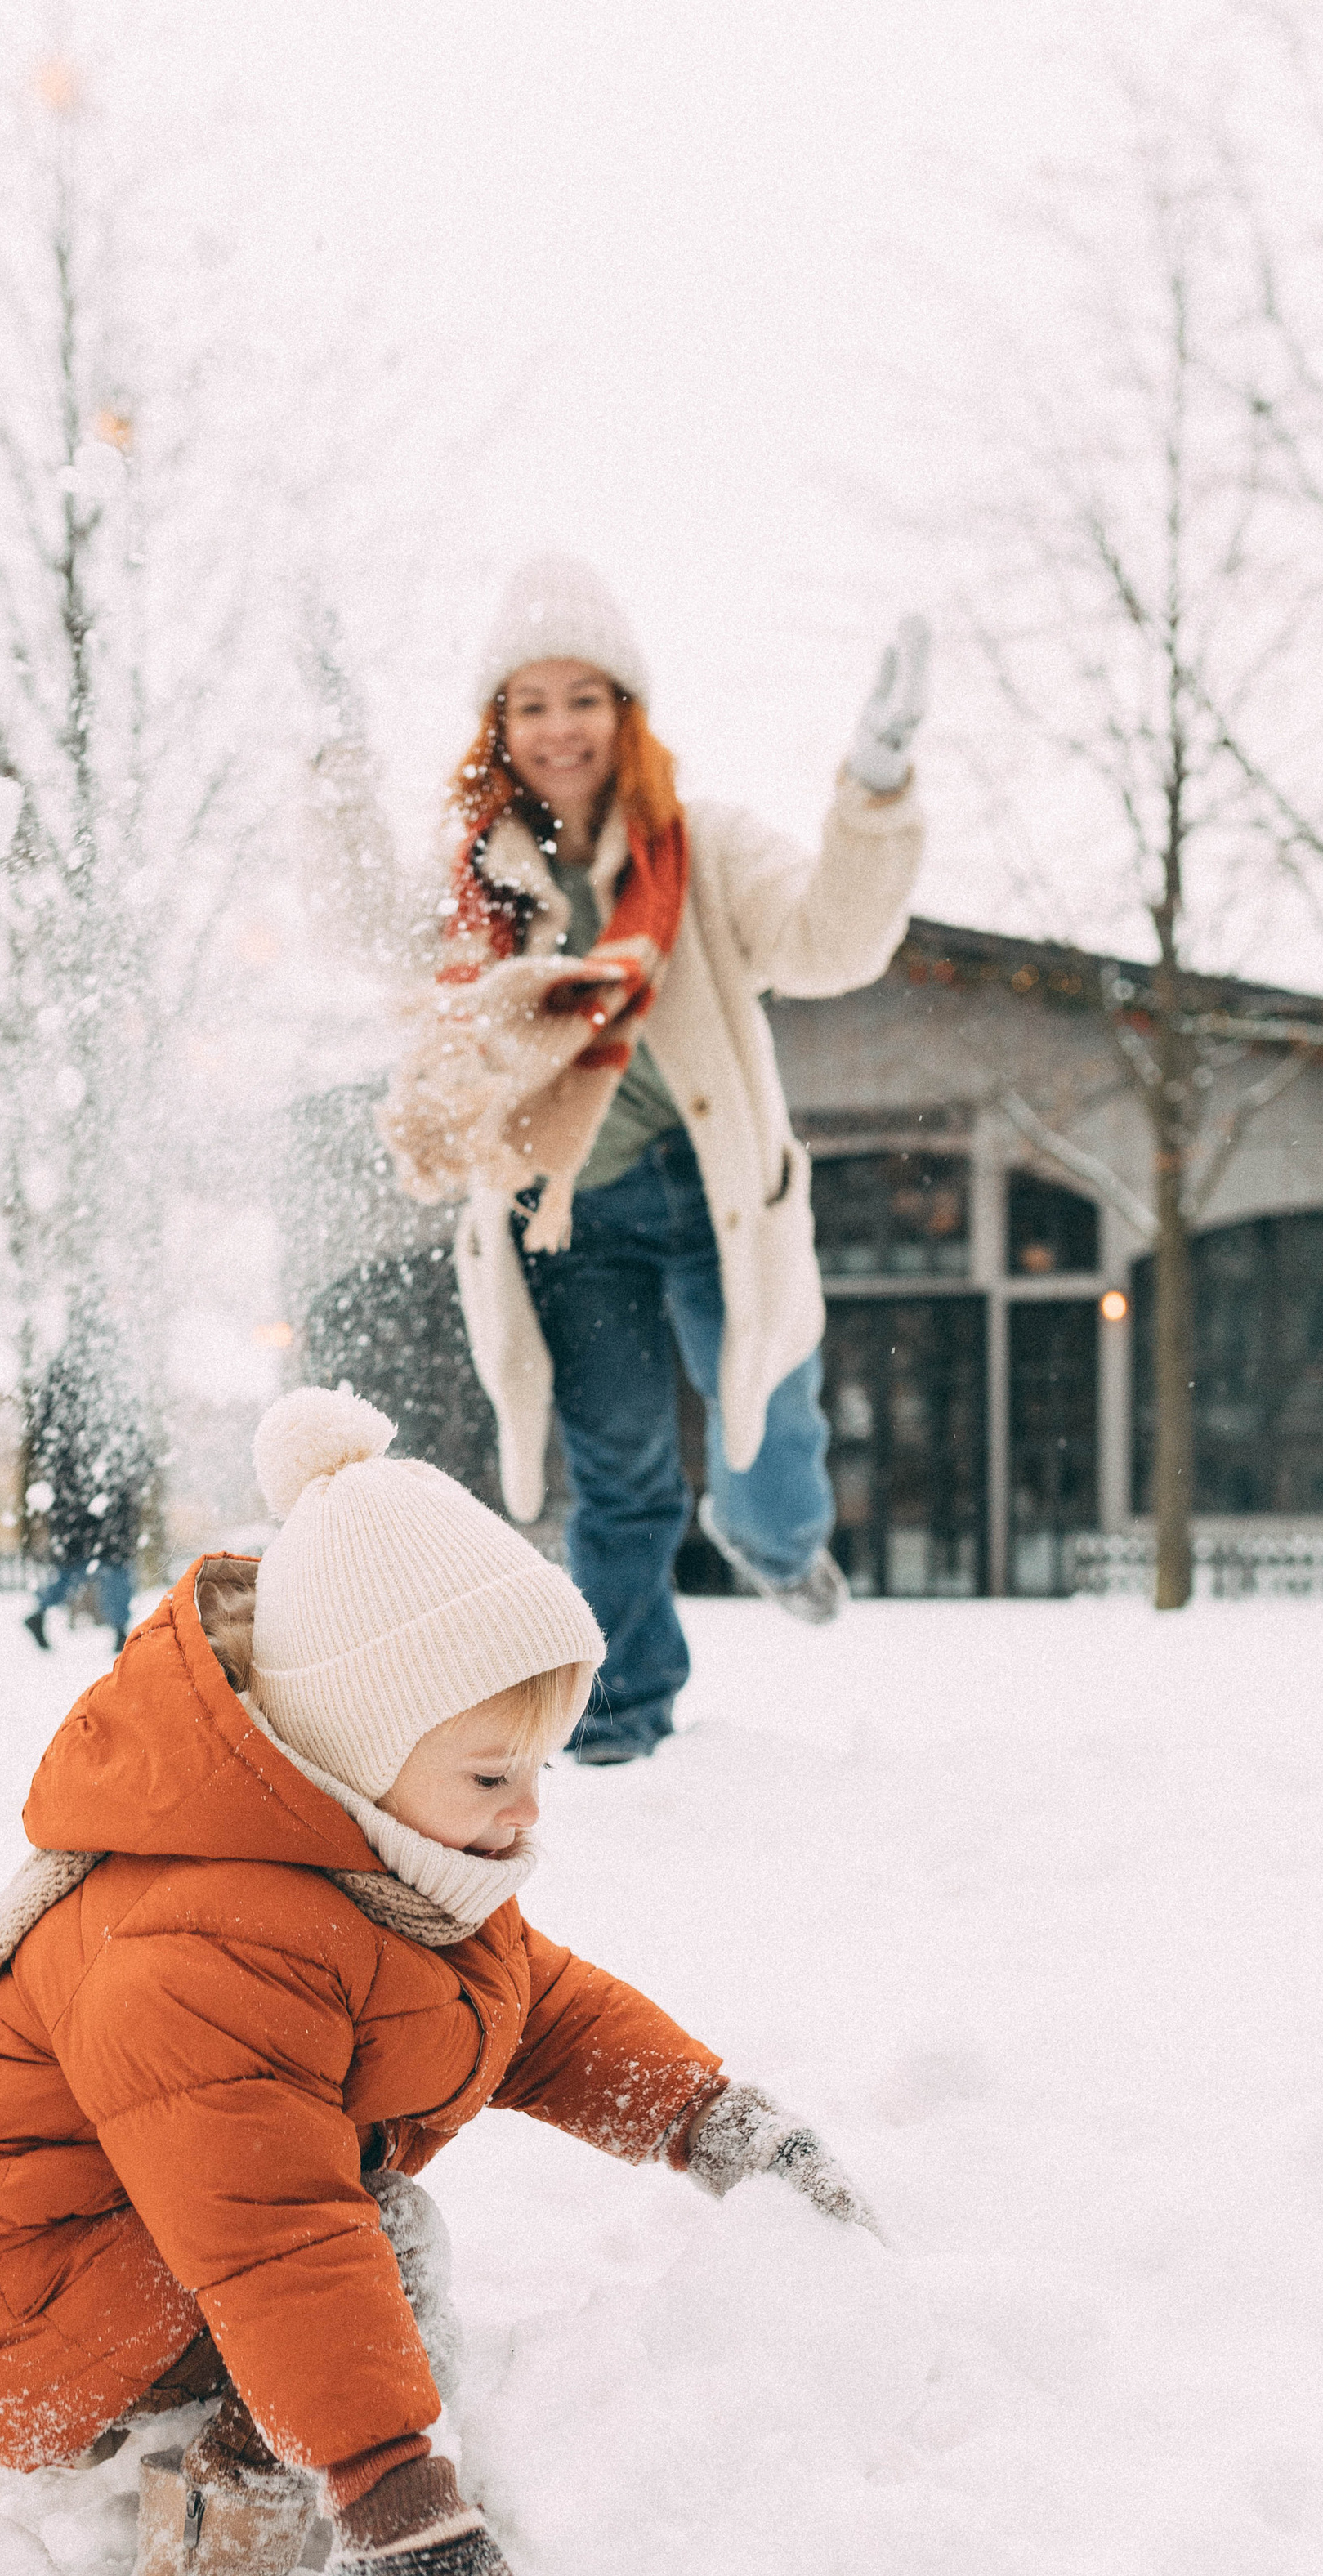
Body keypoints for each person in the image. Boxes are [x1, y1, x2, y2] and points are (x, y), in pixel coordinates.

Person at [0, 1385, 877, 2576]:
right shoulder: (202, 1936)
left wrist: (711, 2119)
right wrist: (393, 2490)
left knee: (355, 2235)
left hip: (127, 2236)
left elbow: (535, 2012)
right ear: (353, 1748)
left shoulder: (377, 1857)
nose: (529, 1810)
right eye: (490, 1776)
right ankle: (244, 2551)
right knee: (372, 2238)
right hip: (21, 2302)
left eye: (539, 1766)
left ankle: (254, 2453)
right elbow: (274, 2230)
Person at [373, 555, 927, 1761]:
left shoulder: (702, 849)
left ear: (625, 712)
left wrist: (876, 790)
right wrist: (329, 767)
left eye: (584, 697)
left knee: (770, 1436)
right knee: (618, 1470)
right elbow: (352, 930)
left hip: (715, 1195)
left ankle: (777, 1544)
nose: (558, 728)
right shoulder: (475, 885)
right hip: (569, 1213)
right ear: (499, 724)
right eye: (531, 703)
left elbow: (829, 941)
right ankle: (619, 1726)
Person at [20, 1331, 134, 1652]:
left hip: (78, 1504)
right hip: (93, 1503)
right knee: (111, 1568)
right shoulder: (97, 1401)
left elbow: (49, 1445)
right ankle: (120, 1630)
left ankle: (44, 1612)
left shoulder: (64, 1402)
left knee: (78, 1569)